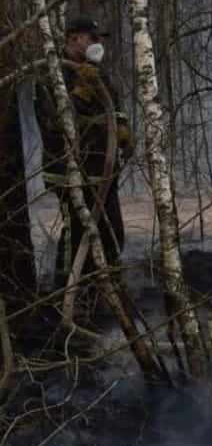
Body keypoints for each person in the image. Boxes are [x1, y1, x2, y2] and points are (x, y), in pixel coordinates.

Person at [36, 16, 133, 289]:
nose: (97, 44)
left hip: (101, 171)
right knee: (77, 234)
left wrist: (123, 134)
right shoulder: (52, 75)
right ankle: (66, 292)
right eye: (92, 38)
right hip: (69, 171)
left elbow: (115, 108)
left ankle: (109, 289)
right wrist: (82, 90)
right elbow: (58, 122)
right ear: (73, 39)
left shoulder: (97, 74)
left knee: (111, 230)